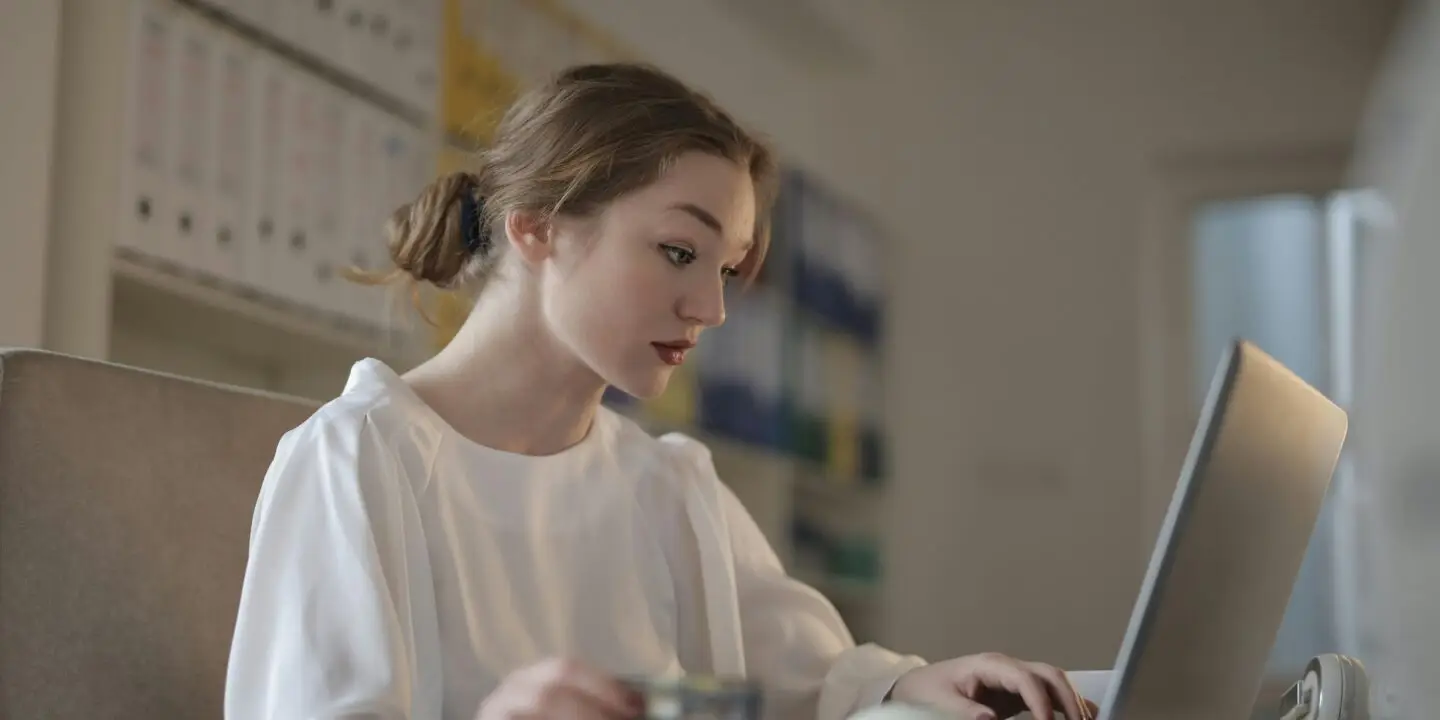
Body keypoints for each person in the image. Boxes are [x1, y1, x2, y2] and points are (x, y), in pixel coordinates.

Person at [223, 63, 1100, 720]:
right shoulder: (359, 459)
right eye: (680, 252)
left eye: (725, 270)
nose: (712, 308)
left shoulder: (669, 486)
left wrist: (913, 682)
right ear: (537, 227)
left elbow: (819, 678)